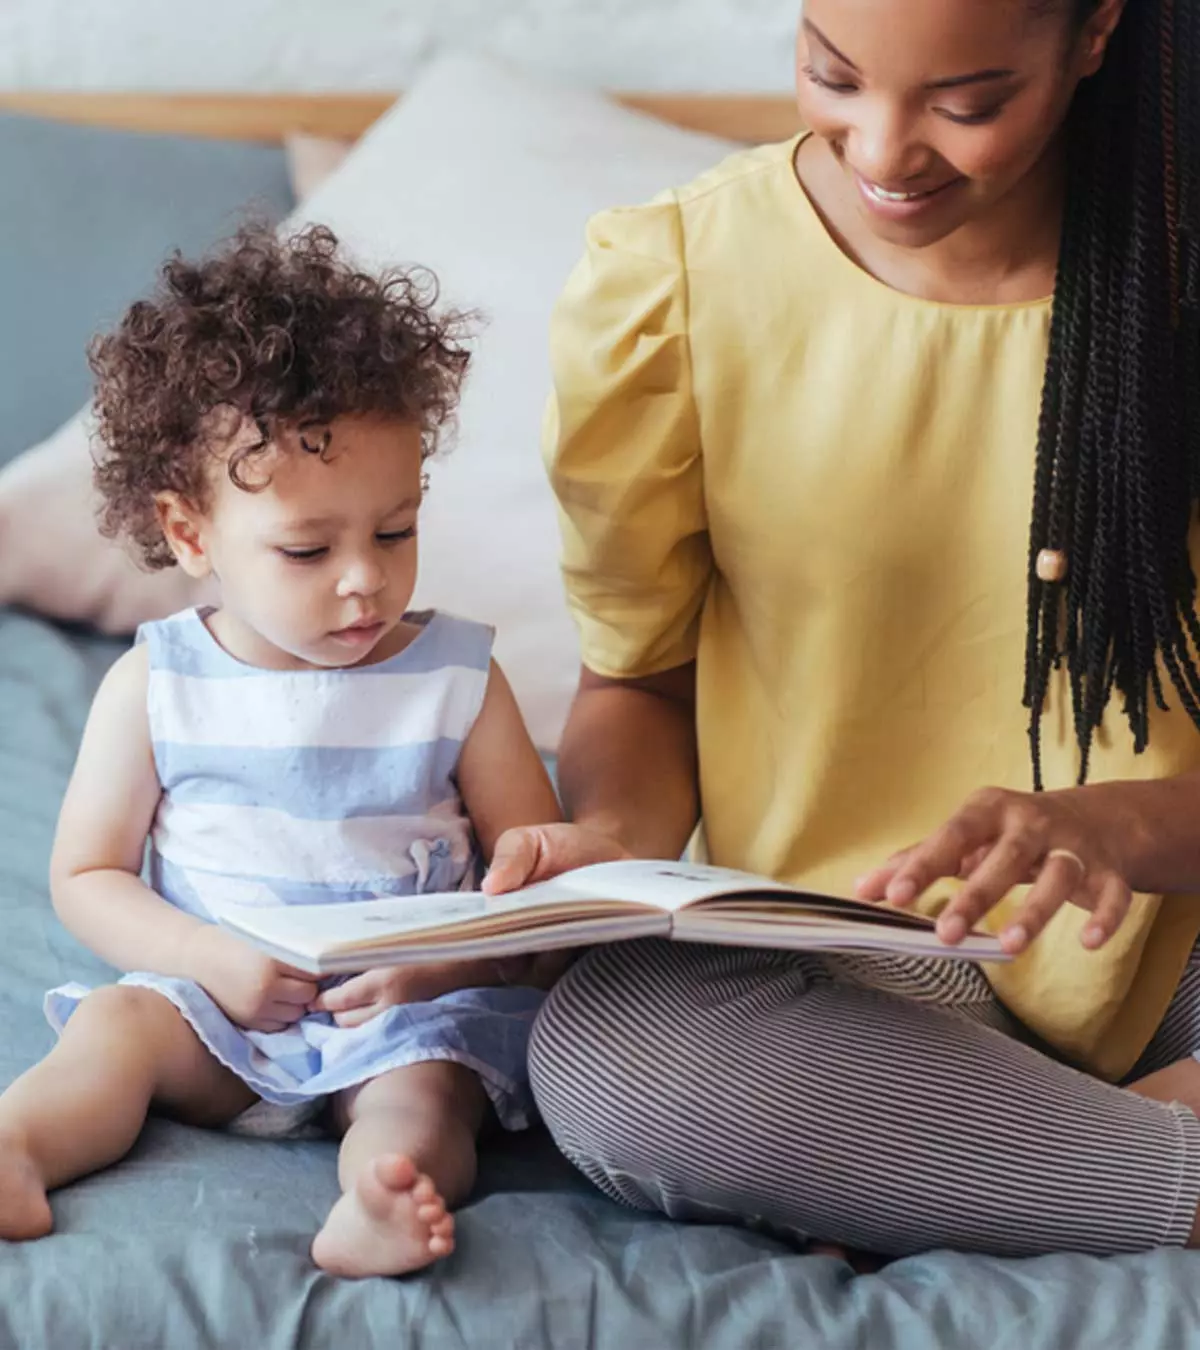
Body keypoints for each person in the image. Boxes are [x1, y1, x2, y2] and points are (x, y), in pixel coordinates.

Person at [486, 0, 1200, 1256]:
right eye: (833, 74)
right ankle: (1124, 1165)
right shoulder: (682, 282)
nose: (882, 151)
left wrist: (1115, 828)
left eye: (968, 104)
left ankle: (1013, 1165)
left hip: (1175, 939)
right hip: (867, 965)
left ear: (1094, 36)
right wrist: (603, 849)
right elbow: (639, 685)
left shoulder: (1174, 266)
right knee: (612, 1051)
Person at [0, 224, 565, 1278]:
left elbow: (537, 892)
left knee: (430, 1094)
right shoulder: (156, 685)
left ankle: (381, 1198)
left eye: (393, 533)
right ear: (190, 534)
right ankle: (19, 1146)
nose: (364, 580)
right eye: (309, 549)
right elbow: (85, 877)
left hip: (398, 1014)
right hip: (213, 1006)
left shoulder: (458, 679)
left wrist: (433, 966)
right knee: (114, 1033)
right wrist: (207, 960)